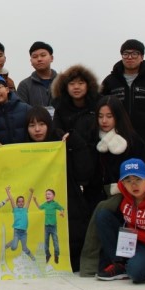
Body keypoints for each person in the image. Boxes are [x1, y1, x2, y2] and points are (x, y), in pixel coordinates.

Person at [80, 158, 145, 283]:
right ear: (122, 183)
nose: (133, 185)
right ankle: (119, 263)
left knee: (136, 273)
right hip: (129, 240)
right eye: (128, 181)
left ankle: (141, 263)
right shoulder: (122, 195)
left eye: (138, 179)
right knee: (103, 216)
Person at [50, 64, 100, 271]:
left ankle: (96, 256)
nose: (76, 87)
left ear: (89, 85)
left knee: (95, 211)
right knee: (76, 215)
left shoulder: (97, 105)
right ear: (65, 87)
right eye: (72, 83)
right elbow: (56, 131)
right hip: (70, 167)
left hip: (96, 165)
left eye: (81, 83)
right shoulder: (61, 108)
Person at [100, 39, 145, 167]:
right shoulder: (110, 81)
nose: (129, 57)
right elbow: (100, 107)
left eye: (134, 54)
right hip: (115, 139)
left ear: (142, 57)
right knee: (116, 174)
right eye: (126, 54)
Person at [90, 95, 145, 205]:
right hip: (96, 196)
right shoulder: (93, 137)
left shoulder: (133, 141)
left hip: (126, 197)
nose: (104, 121)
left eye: (109, 116)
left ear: (118, 116)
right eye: (100, 116)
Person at [17, 41, 58, 110]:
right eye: (35, 57)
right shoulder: (24, 85)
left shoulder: (63, 82)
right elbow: (21, 110)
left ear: (51, 58)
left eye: (43, 55)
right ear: (31, 61)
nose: (39, 59)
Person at [33, 189, 65, 264]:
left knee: (55, 242)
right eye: (46, 194)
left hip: (53, 226)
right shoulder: (45, 204)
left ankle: (56, 255)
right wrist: (35, 201)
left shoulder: (55, 204)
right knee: (46, 242)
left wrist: (62, 212)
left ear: (53, 196)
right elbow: (39, 207)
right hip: (47, 226)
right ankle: (48, 255)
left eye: (49, 194)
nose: (47, 195)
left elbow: (61, 208)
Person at [4, 186, 35, 261]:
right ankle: (10, 244)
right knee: (13, 248)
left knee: (24, 248)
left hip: (24, 233)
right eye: (19, 202)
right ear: (17, 203)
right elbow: (11, 199)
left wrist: (31, 193)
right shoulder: (15, 209)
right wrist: (7, 191)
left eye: (22, 201)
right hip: (17, 232)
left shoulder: (25, 209)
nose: (21, 203)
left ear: (23, 202)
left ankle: (31, 256)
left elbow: (29, 201)